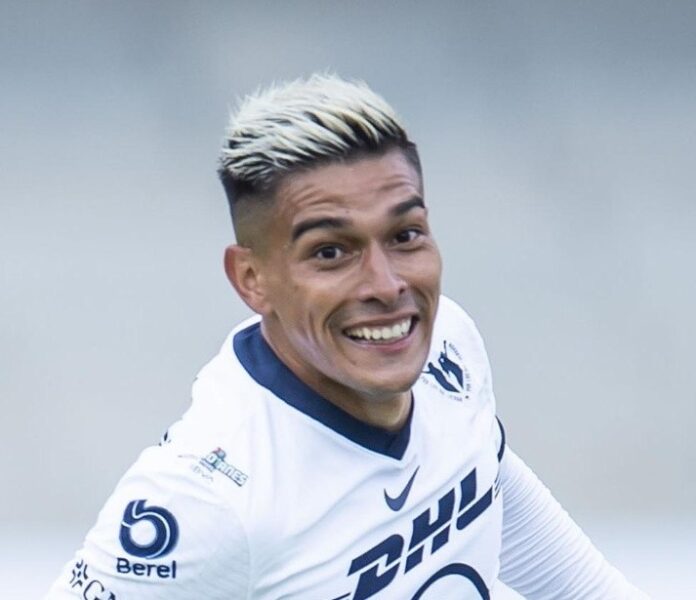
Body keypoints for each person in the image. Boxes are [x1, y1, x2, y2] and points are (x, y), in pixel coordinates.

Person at [47, 74, 647, 599]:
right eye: (331, 252)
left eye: (405, 236)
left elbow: (483, 481)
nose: (387, 285)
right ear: (252, 279)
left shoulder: (449, 340)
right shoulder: (204, 501)